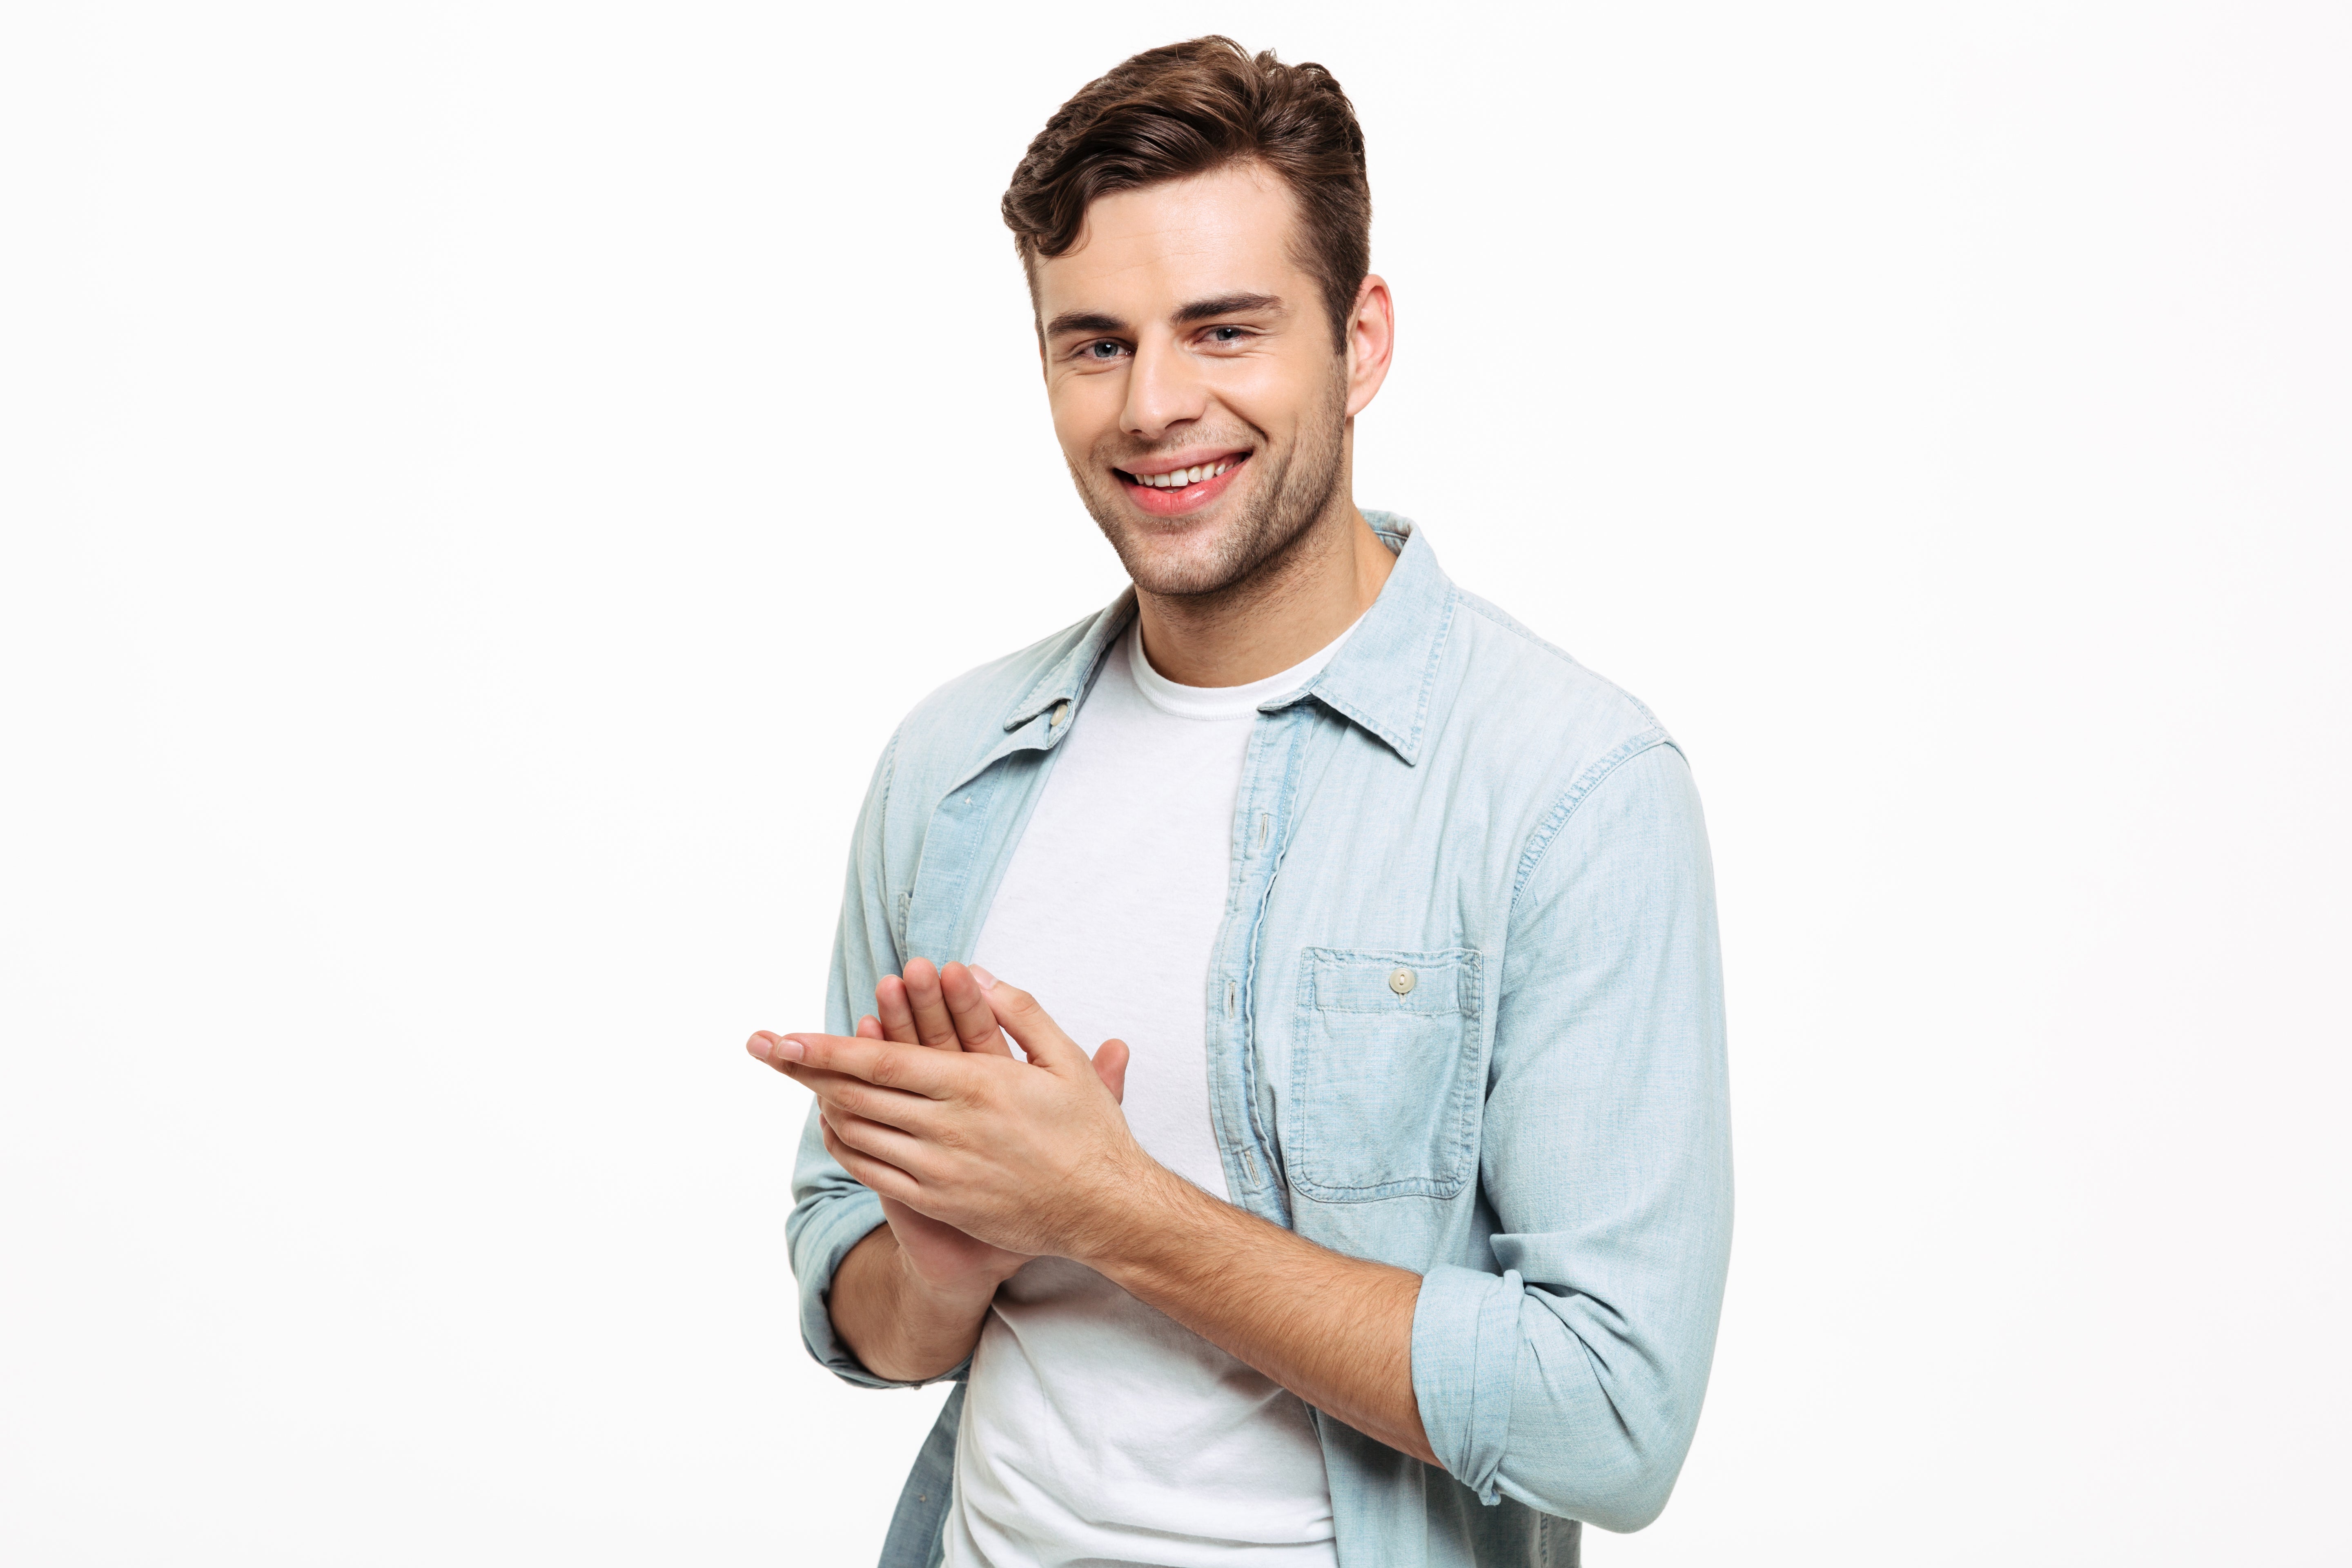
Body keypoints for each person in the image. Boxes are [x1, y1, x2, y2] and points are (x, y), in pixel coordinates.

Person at [748, 36, 1732, 1568]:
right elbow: (858, 1298)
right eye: (1094, 343)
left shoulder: (1569, 790)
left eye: (1223, 330)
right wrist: (942, 1268)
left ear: (1361, 341)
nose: (1153, 405)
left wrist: (1111, 1210)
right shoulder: (952, 770)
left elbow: (1614, 1416)